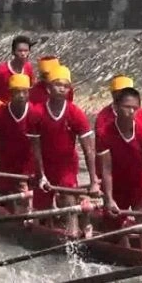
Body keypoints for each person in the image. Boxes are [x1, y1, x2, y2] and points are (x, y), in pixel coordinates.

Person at [26, 65, 97, 237]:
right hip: (45, 164)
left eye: (66, 86)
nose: (62, 89)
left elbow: (89, 150)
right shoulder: (37, 112)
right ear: (49, 88)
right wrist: (40, 174)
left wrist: (94, 180)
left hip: (67, 166)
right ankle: (39, 227)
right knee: (40, 210)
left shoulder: (75, 113)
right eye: (58, 84)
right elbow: (35, 148)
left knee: (69, 199)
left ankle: (73, 233)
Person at [98, 87, 142, 253]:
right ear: (116, 107)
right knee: (114, 233)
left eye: (135, 108)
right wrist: (108, 198)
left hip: (138, 188)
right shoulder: (104, 133)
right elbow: (106, 170)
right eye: (127, 107)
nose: (131, 112)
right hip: (117, 189)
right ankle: (128, 256)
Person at [0, 73, 35, 214]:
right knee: (6, 194)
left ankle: (29, 215)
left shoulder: (35, 112)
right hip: (6, 161)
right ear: (10, 93)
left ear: (28, 93)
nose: (21, 95)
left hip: (28, 162)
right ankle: (11, 212)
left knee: (27, 191)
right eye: (17, 92)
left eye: (24, 92)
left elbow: (40, 144)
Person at [0, 35, 35, 110]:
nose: (23, 54)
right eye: (20, 51)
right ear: (13, 52)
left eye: (26, 51)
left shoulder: (28, 68)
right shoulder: (1, 71)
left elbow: (31, 91)